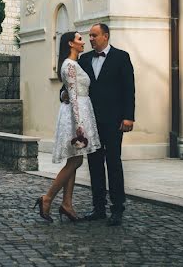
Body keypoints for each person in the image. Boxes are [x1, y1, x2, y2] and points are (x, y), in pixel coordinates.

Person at [34, 31, 100, 223]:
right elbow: (71, 95)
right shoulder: (69, 65)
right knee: (76, 161)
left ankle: (67, 204)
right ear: (71, 43)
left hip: (79, 111)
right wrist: (79, 125)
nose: (83, 42)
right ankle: (47, 198)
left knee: (74, 159)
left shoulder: (73, 64)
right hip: (75, 115)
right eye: (80, 39)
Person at [78, 23, 135, 226]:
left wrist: (129, 117)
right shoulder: (84, 59)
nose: (91, 38)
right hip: (90, 122)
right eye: (90, 36)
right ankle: (98, 207)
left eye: (94, 35)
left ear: (106, 36)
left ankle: (117, 208)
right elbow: (73, 84)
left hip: (113, 121)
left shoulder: (121, 57)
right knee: (94, 164)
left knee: (113, 163)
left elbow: (129, 89)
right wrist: (63, 94)